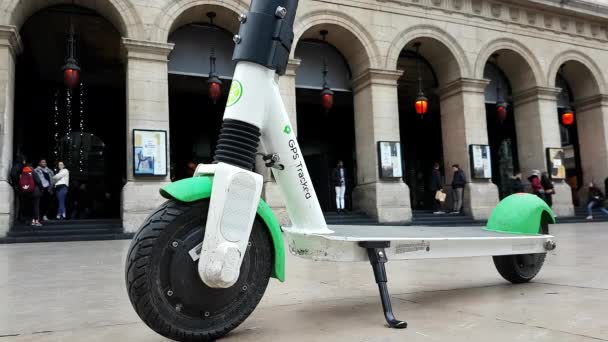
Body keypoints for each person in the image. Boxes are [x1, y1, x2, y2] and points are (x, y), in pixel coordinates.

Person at [9, 155, 26, 222]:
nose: (25, 161)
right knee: (20, 202)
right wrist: (18, 180)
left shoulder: (16, 165)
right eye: (24, 160)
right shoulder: (19, 166)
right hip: (19, 186)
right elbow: (13, 174)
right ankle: (19, 217)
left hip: (17, 186)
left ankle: (18, 217)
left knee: (19, 202)